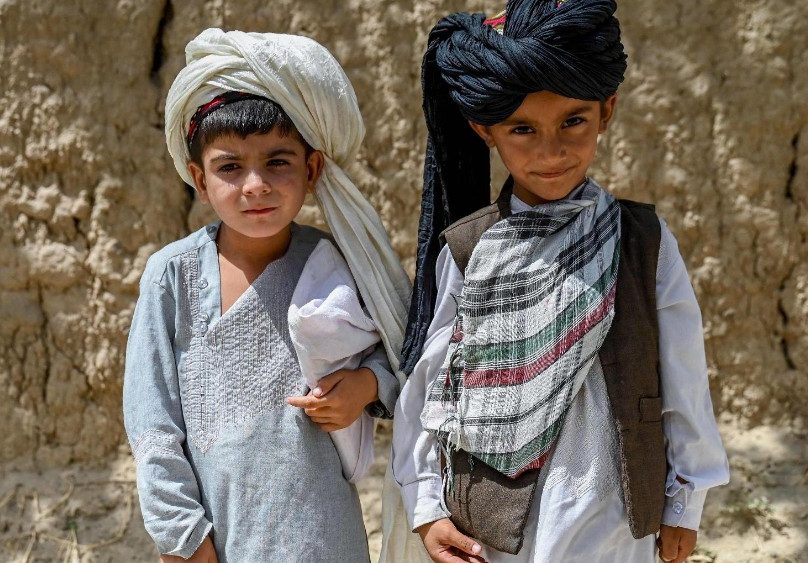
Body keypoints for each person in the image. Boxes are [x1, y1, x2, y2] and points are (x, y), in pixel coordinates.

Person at [391, 1, 730, 562]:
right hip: (498, 517)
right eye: (522, 129)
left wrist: (684, 503)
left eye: (573, 120)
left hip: (616, 510)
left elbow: (684, 377)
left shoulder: (643, 241)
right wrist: (427, 507)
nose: (551, 152)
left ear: (607, 110)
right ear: (485, 130)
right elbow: (432, 386)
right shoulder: (471, 249)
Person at [124, 28, 411, 562]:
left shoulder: (337, 264)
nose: (255, 184)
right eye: (229, 167)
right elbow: (152, 425)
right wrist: (183, 537)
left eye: (277, 161)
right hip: (217, 540)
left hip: (326, 537)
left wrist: (366, 386)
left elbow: (403, 357)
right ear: (198, 178)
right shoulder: (172, 276)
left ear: (312, 168)